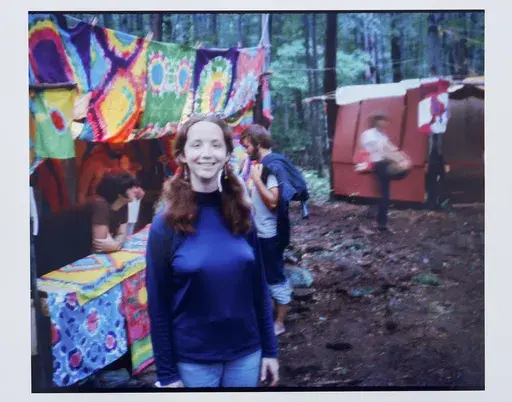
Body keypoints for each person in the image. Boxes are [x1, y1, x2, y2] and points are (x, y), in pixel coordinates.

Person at [146, 114, 279, 389]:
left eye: (216, 145)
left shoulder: (242, 215)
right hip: (193, 361)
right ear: (182, 155)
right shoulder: (165, 224)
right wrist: (167, 374)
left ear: (227, 154)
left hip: (246, 354)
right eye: (197, 145)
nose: (206, 153)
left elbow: (259, 288)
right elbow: (157, 304)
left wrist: (270, 349)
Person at [240, 124, 309, 337]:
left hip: (270, 235)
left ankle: (279, 322)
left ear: (258, 144)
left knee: (275, 276)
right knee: (265, 274)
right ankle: (268, 315)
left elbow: (273, 202)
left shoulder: (270, 167)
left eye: (247, 146)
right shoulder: (263, 165)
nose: (246, 150)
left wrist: (255, 179)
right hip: (260, 232)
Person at [34, 170, 143, 275]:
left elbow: (122, 235)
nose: (136, 190)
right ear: (119, 192)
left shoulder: (123, 205)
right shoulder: (100, 205)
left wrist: (114, 244)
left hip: (76, 245)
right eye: (131, 187)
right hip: (55, 242)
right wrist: (116, 245)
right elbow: (100, 246)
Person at [360, 112, 408, 232]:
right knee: (384, 194)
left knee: (384, 193)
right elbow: (382, 150)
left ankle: (379, 219)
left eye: (387, 121)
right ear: (377, 121)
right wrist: (398, 159)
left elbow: (390, 148)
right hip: (378, 164)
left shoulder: (382, 134)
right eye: (383, 120)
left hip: (385, 163)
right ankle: (381, 222)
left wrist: (402, 158)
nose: (386, 123)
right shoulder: (369, 134)